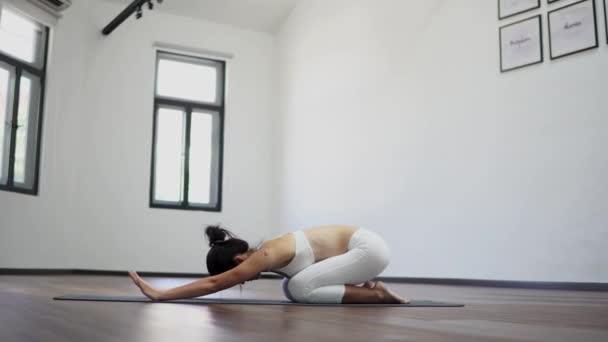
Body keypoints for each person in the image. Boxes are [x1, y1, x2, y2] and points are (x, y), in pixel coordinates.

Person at [129, 225, 408, 304]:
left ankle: (377, 294)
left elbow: (214, 283)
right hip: (363, 250)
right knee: (292, 286)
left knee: (298, 287)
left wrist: (161, 293)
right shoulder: (268, 252)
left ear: (238, 260)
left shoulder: (265, 255)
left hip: (369, 250)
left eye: (237, 276)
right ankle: (370, 290)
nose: (242, 280)